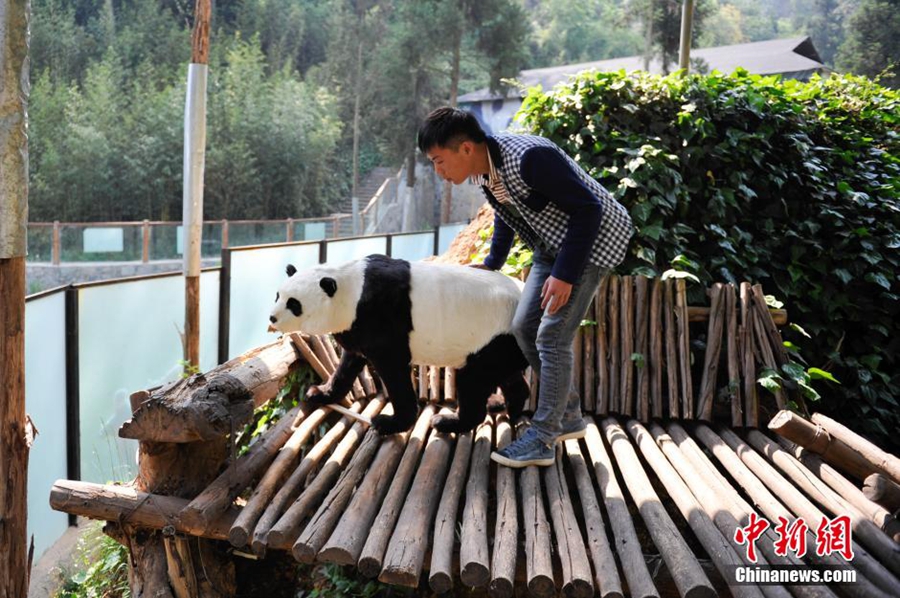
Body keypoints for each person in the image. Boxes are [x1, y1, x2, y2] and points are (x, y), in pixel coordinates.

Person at [417, 106, 633, 467]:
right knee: (524, 327)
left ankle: (544, 438)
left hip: (591, 244)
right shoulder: (486, 172)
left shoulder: (530, 158)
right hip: (551, 245)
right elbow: (507, 215)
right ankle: (569, 415)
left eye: (439, 161)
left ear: (466, 149)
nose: (439, 172)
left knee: (552, 336)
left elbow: (588, 211)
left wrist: (565, 275)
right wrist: (491, 263)